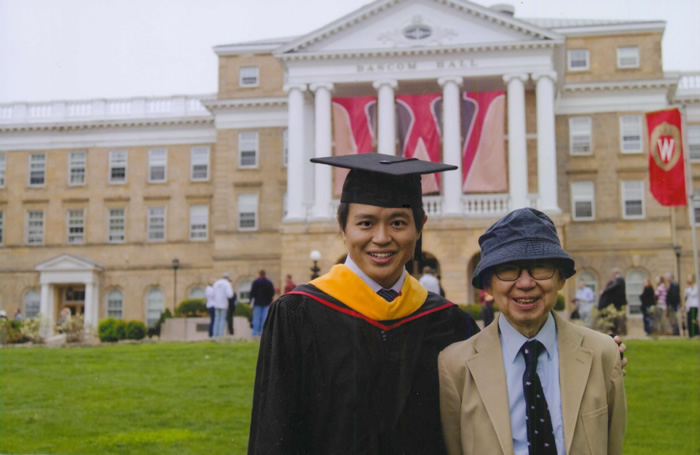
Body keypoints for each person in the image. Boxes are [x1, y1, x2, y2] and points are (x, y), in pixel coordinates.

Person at [248, 153, 480, 454]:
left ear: (420, 226)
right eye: (366, 223)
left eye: (398, 222)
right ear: (342, 226)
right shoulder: (298, 314)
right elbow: (273, 433)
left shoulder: (448, 323)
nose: (381, 238)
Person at [438, 208, 626, 455]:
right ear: (488, 284)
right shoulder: (455, 366)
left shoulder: (603, 353)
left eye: (539, 267)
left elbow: (613, 445)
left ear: (560, 279)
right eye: (508, 269)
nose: (525, 283)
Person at [598, 268, 628, 335]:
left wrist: (604, 291)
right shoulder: (619, 280)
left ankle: (621, 331)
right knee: (618, 318)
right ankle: (619, 331)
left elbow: (612, 287)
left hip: (619, 303)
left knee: (620, 318)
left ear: (615, 273)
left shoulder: (619, 279)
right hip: (618, 303)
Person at [249, 270, 275, 337]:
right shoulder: (269, 282)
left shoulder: (256, 282)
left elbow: (252, 293)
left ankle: (254, 333)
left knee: (256, 318)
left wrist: (250, 301)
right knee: (264, 318)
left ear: (259, 274)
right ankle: (262, 332)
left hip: (257, 302)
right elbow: (272, 293)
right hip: (266, 303)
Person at [212, 273, 234, 337]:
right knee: (222, 319)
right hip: (223, 304)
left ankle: (214, 334)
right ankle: (220, 335)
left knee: (216, 319)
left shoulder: (216, 283)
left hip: (216, 304)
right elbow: (230, 295)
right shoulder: (227, 284)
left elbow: (212, 294)